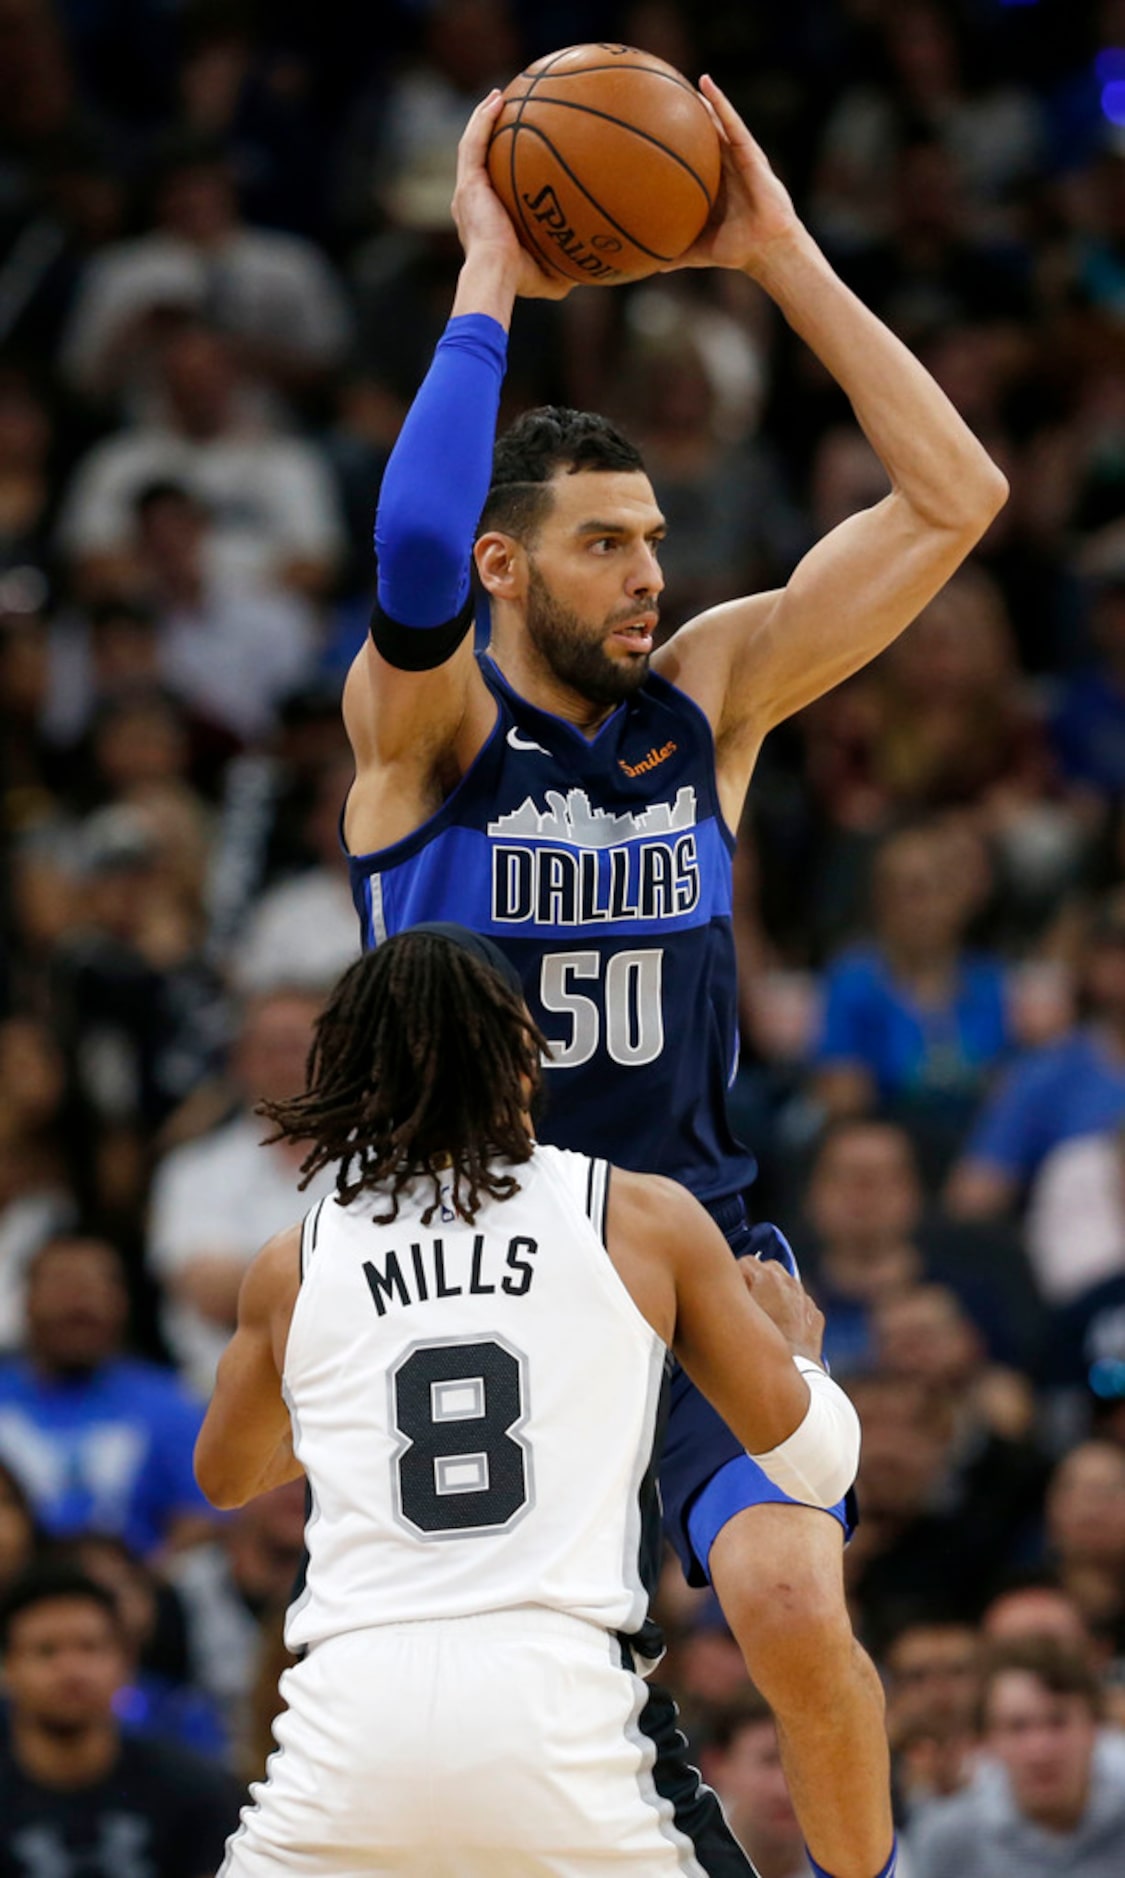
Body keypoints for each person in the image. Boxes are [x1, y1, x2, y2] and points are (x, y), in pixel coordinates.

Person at [340, 81, 1007, 1878]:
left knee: (790, 1585)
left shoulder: (707, 706)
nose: (651, 570)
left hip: (693, 1254)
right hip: (470, 1276)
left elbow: (958, 496)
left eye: (653, 536)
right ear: (507, 566)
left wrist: (776, 247)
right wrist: (488, 260)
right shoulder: (425, 739)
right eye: (603, 543)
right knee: (501, 1741)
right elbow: (404, 556)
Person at [195, 925, 861, 1875]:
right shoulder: (637, 1217)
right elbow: (818, 1465)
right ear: (522, 1053)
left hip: (348, 1731)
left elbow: (226, 1476)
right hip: (564, 1714)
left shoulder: (293, 1261)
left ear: (352, 1071)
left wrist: (358, 1410)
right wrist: (800, 1359)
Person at [0, 1562, 242, 1878]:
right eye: (46, 1651)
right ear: (6, 1668)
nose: (71, 1670)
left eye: (90, 1648)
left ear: (127, 1662)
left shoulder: (194, 1791)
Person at [0, 1235, 215, 1557]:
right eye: (62, 1284)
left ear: (124, 1303)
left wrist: (145, 1586)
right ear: (26, 1300)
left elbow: (205, 1518)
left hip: (136, 1590)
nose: (80, 1302)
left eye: (99, 1286)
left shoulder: (171, 1404)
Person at [908, 1636, 1125, 1878]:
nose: (1040, 1750)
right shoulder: (948, 1841)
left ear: (1095, 1728)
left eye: (1058, 1722)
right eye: (1017, 1727)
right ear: (987, 1742)